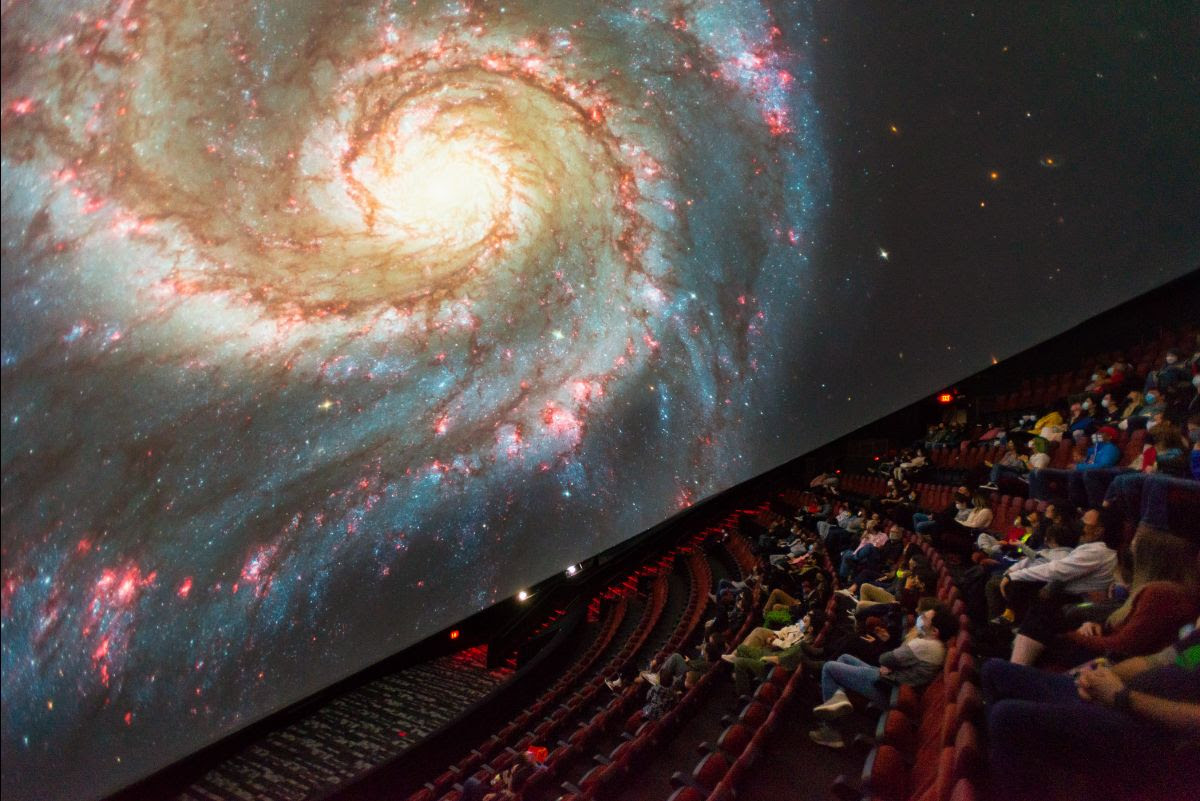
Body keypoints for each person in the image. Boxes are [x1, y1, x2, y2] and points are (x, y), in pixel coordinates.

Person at [981, 621, 1200, 801]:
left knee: (1006, 716)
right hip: (1117, 699)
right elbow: (1152, 662)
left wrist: (1121, 697)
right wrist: (1097, 678)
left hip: (1156, 734)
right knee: (994, 670)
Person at [1009, 524, 1200, 666]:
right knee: (1045, 617)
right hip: (1107, 647)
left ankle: (1014, 672)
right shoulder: (1164, 591)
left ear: (1149, 560)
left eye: (1135, 551)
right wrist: (1096, 626)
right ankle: (1014, 671)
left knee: (1043, 618)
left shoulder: (1161, 593)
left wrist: (1072, 635)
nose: (1128, 555)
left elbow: (1123, 647)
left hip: (1111, 661)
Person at [808, 605, 960, 748]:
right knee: (844, 658)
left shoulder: (924, 645)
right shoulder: (937, 647)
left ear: (934, 631)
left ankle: (832, 731)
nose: (920, 618)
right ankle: (838, 697)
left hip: (887, 687)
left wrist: (890, 661)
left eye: (925, 618)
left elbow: (885, 659)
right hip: (891, 681)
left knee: (829, 668)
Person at [996, 508, 1116, 628]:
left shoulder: (1097, 551)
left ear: (1099, 531)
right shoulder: (1091, 547)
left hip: (1079, 600)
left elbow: (1057, 570)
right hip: (1065, 591)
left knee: (1022, 589)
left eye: (1084, 524)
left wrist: (1012, 576)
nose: (1080, 527)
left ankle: (1013, 631)